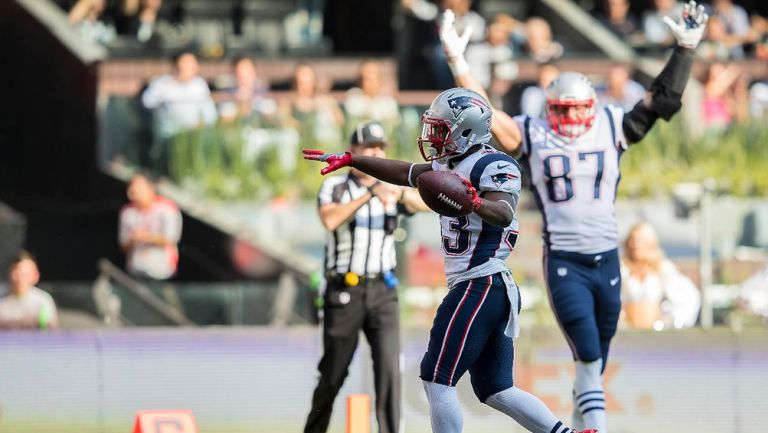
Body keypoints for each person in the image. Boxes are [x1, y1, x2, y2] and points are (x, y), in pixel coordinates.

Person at [439, 2, 708, 431]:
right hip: (564, 259)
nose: (569, 118)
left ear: (592, 104)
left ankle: (577, 422)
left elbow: (663, 101)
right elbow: (482, 110)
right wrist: (458, 61)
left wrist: (686, 49)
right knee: (587, 355)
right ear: (549, 108)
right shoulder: (535, 132)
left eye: (576, 108)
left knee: (595, 361)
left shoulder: (610, 124)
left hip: (608, 257)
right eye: (560, 109)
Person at [304, 90, 596, 433]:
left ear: (467, 130)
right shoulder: (449, 163)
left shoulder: (495, 165)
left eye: (441, 129)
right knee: (497, 389)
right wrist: (354, 160)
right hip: (484, 286)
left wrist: (474, 202)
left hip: (481, 282)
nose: (433, 137)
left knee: (436, 378)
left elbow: (503, 213)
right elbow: (404, 171)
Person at [303, 122, 427, 433]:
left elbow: (423, 204)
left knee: (389, 371)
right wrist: (372, 190)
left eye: (380, 148)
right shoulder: (337, 186)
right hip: (345, 291)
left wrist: (399, 194)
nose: (376, 153)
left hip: (383, 291)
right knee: (333, 372)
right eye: (369, 148)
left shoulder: (392, 189)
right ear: (353, 152)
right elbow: (329, 219)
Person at [620, 222, 700, 329]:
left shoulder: (663, 268)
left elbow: (690, 296)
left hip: (655, 334)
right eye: (632, 240)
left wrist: (668, 320)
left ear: (650, 242)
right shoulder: (622, 268)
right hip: (627, 332)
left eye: (639, 240)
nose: (635, 244)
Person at [118, 173, 182, 282]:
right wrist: (133, 239)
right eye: (131, 186)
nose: (133, 190)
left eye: (137, 186)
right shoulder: (127, 212)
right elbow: (123, 246)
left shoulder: (167, 208)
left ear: (150, 187)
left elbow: (172, 239)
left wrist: (147, 237)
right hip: (136, 271)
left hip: (162, 272)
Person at [0, 251, 59, 330]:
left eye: (24, 274)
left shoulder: (43, 300)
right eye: (16, 274)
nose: (19, 278)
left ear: (35, 276)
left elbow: (49, 334)